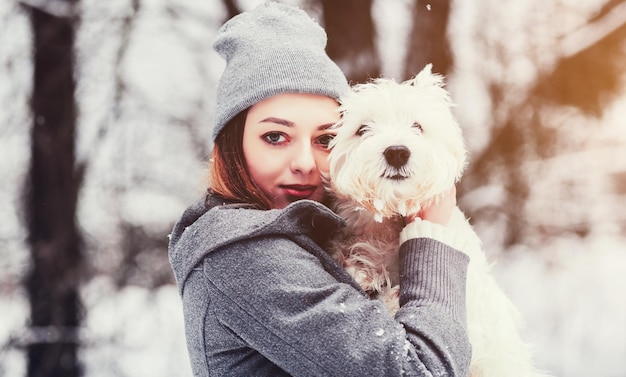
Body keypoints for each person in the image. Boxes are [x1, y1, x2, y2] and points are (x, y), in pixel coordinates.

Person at [168, 2, 472, 376]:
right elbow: (418, 371)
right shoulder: (244, 256)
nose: (305, 163)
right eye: (275, 136)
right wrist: (432, 237)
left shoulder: (316, 235)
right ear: (233, 147)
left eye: (325, 139)